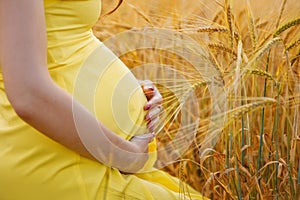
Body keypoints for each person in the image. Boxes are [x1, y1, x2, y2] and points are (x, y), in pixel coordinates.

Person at [0, 0, 207, 199]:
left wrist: (128, 86)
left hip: (85, 159)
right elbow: (29, 96)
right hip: (54, 162)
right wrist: (126, 155)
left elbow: (61, 39)